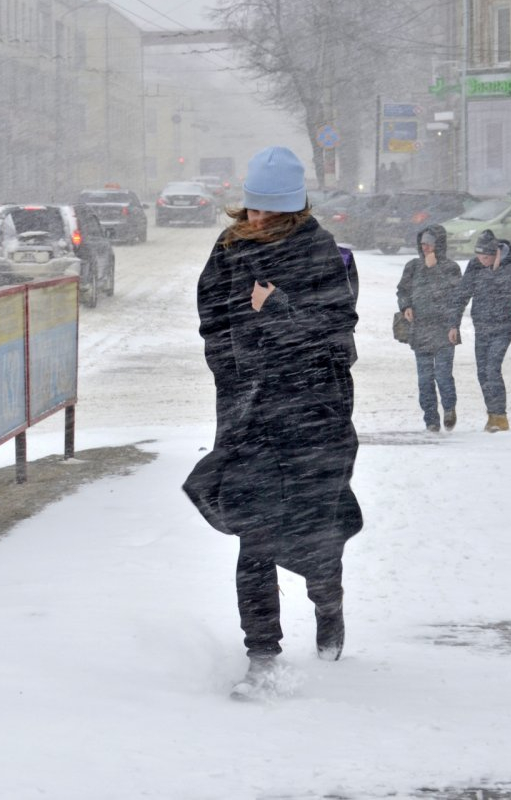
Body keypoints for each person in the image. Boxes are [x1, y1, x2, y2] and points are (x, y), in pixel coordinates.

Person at [183, 146, 362, 700]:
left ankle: (327, 610)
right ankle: (262, 655)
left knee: (315, 535)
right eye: (252, 208)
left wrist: (280, 310)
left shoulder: (317, 250)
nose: (256, 219)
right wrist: (234, 368)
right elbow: (210, 319)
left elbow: (338, 334)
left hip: (312, 416)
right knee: (254, 537)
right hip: (251, 417)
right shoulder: (230, 247)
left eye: (269, 211)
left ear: (292, 208)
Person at [450, 229, 511, 432]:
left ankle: (501, 417)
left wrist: (494, 270)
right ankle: (492, 416)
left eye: (486, 256)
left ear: (496, 253)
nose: (481, 260)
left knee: (492, 368)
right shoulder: (475, 265)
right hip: (482, 326)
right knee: (482, 373)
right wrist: (453, 324)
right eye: (479, 255)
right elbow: (462, 294)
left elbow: (508, 290)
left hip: (504, 326)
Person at [396, 225, 462, 432]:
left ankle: (449, 409)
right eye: (423, 243)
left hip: (444, 330)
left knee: (443, 375)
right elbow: (402, 290)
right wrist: (405, 305)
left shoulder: (451, 267)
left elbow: (455, 296)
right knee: (425, 380)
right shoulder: (412, 266)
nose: (426, 247)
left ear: (439, 245)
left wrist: (434, 269)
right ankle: (431, 419)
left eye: (430, 243)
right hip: (420, 331)